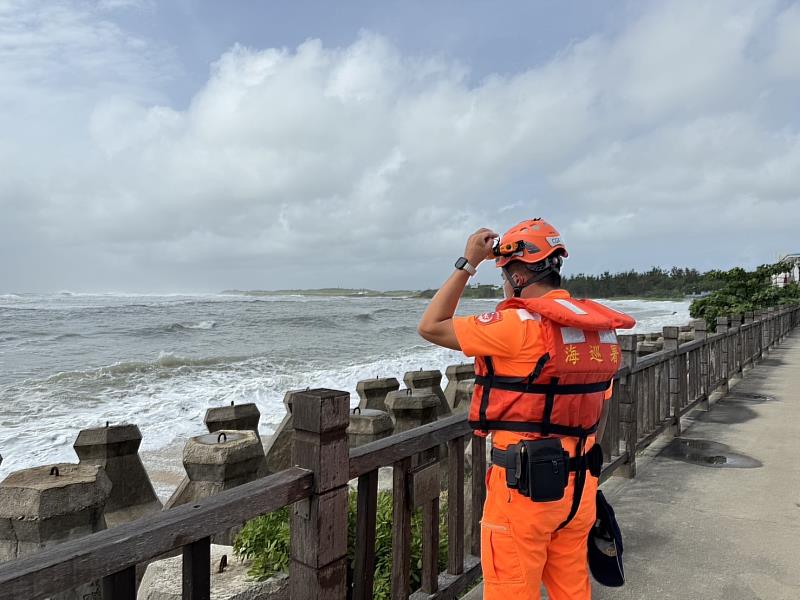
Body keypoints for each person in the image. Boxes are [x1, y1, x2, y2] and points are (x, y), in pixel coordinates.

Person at [417, 218, 635, 600]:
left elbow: (432, 325)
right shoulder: (597, 331)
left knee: (511, 590)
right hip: (580, 488)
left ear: (518, 274)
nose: (504, 283)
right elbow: (596, 410)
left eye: (504, 274)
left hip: (525, 490)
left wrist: (468, 262)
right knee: (572, 590)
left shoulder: (515, 323)